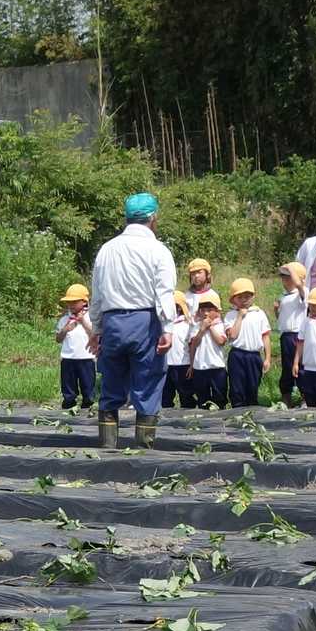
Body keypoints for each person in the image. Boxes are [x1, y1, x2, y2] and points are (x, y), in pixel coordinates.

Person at [88, 191, 177, 450]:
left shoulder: (107, 249)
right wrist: (167, 328)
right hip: (145, 321)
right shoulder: (158, 250)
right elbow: (164, 293)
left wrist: (96, 328)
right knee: (148, 383)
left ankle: (106, 448)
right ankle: (143, 451)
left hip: (113, 322)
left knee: (111, 384)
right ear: (153, 218)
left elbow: (97, 294)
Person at [55, 284, 98, 412]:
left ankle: (88, 403)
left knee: (87, 384)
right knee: (68, 384)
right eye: (68, 302)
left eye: (74, 302)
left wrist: (83, 322)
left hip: (86, 357)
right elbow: (58, 339)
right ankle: (69, 403)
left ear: (84, 301)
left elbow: (94, 334)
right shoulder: (65, 320)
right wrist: (65, 330)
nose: (71, 305)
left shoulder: (91, 318)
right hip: (68, 358)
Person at [227, 278, 270, 409]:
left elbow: (266, 337)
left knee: (252, 385)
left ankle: (252, 410)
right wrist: (240, 316)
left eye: (247, 296)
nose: (244, 300)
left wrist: (267, 358)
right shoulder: (231, 315)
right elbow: (232, 335)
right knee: (237, 387)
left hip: (254, 355)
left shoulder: (259, 313)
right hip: (237, 355)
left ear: (253, 296)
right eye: (240, 297)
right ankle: (237, 411)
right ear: (234, 299)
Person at [188, 289, 230, 407]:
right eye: (203, 310)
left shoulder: (220, 325)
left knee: (220, 396)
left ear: (217, 312)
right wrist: (202, 328)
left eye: (209, 310)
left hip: (217, 367)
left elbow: (220, 341)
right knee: (202, 397)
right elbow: (194, 343)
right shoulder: (197, 326)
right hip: (200, 367)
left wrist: (210, 328)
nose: (206, 313)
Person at [275, 266, 307, 404]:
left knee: (299, 366)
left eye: (288, 279)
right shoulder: (284, 296)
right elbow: (281, 318)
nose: (285, 283)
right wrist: (276, 309)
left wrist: (290, 268)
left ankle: (305, 396)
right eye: (283, 279)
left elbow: (300, 285)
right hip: (286, 335)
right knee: (287, 367)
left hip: (297, 335)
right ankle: (286, 395)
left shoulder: (302, 293)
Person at [161, 293, 195, 410]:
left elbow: (191, 345)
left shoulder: (187, 324)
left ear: (179, 307)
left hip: (183, 365)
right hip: (165, 364)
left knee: (186, 395)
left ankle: (188, 421)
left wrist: (191, 364)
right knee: (166, 395)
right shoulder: (163, 323)